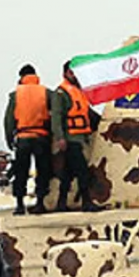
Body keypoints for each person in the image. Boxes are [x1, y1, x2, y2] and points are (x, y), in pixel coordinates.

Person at [3, 63, 54, 215]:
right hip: (41, 137)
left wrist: (9, 139)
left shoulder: (15, 94)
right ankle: (40, 203)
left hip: (23, 137)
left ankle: (20, 205)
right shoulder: (46, 92)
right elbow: (55, 115)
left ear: (21, 77)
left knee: (21, 172)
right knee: (42, 171)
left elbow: (8, 120)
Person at [52, 61, 99, 212]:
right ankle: (86, 201)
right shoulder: (61, 93)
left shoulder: (78, 92)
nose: (74, 75)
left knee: (68, 173)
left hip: (79, 137)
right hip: (70, 138)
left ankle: (61, 203)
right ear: (65, 74)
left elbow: (87, 113)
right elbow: (56, 117)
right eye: (71, 72)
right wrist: (60, 137)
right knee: (82, 171)